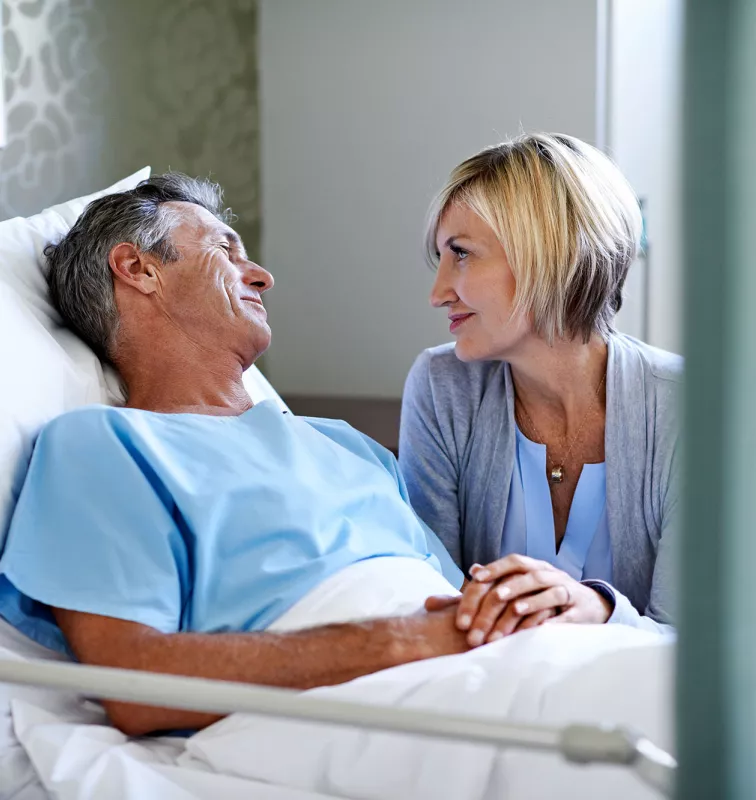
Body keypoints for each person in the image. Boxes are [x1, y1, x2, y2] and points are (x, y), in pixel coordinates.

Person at [0, 173, 470, 738]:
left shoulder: (348, 445)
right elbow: (135, 685)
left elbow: (461, 606)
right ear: (139, 269)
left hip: (484, 662)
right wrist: (398, 641)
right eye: (225, 249)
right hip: (362, 705)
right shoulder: (101, 447)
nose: (263, 276)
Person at [400, 133, 681, 643]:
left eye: (461, 254)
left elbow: (694, 650)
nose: (438, 292)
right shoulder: (442, 388)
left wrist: (597, 609)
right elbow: (432, 605)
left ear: (550, 255)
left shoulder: (685, 408)